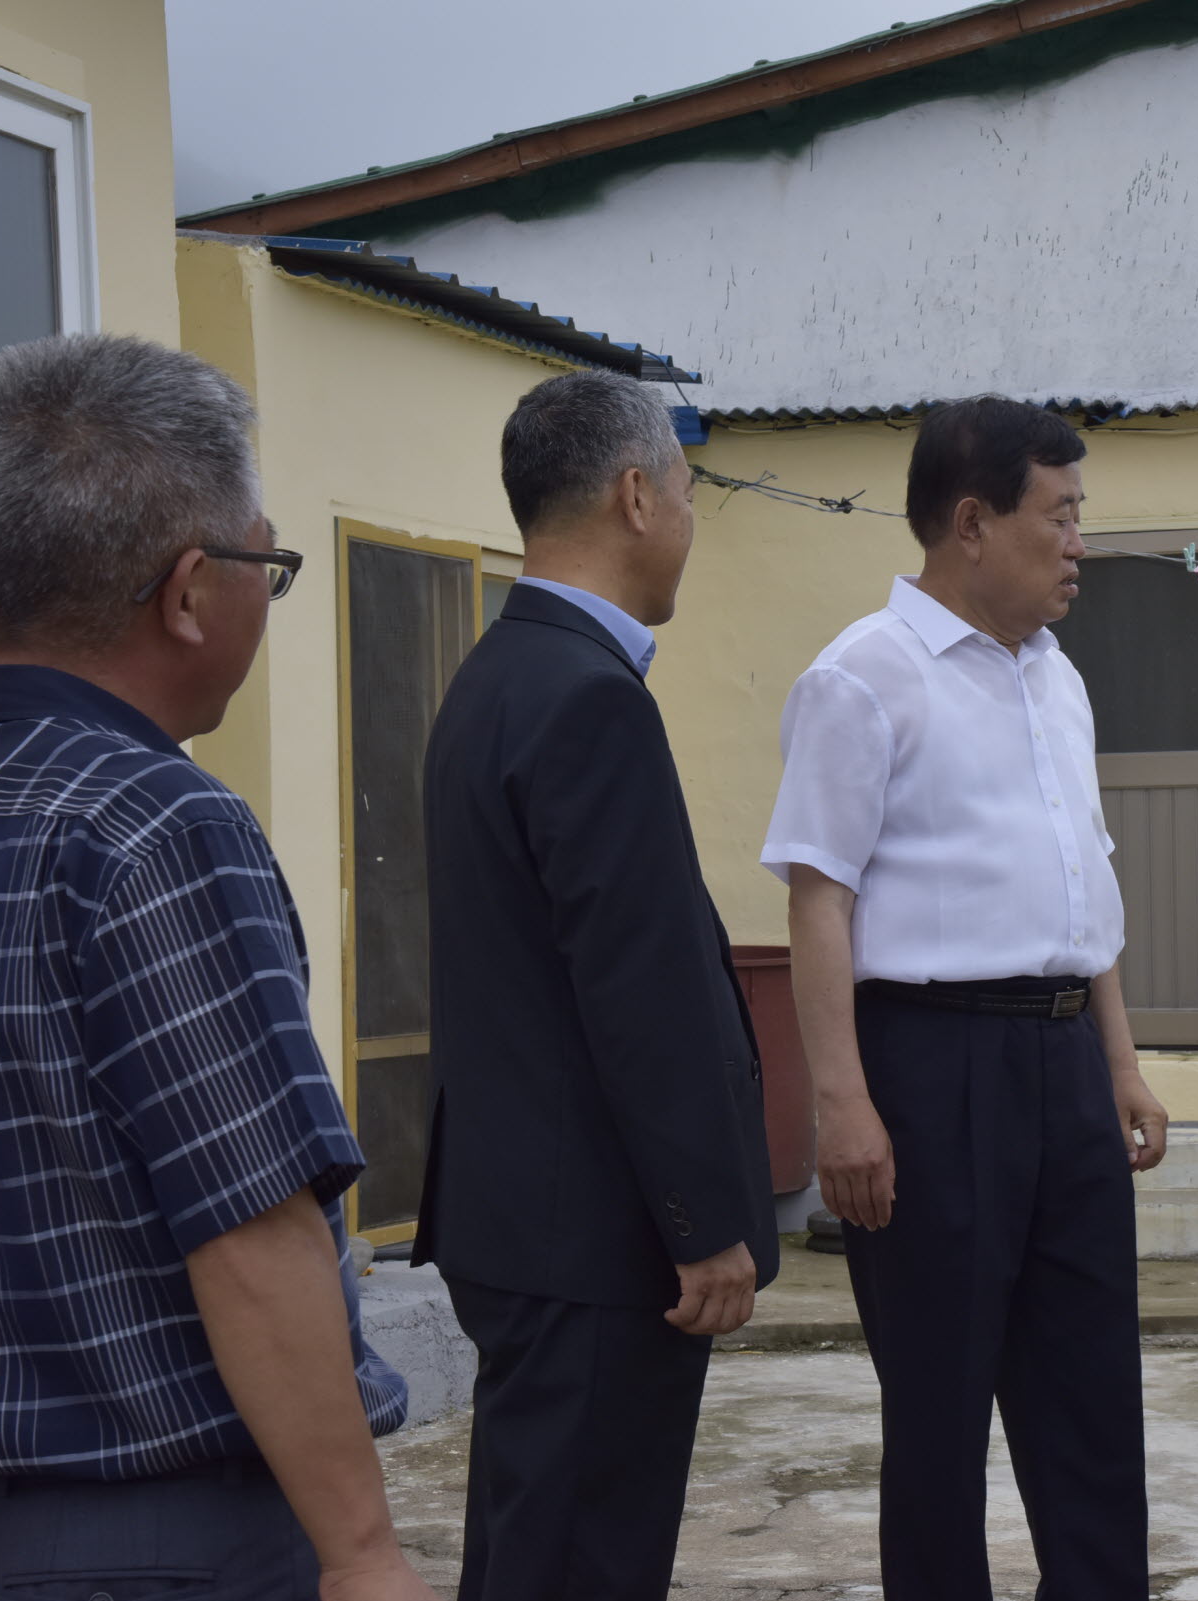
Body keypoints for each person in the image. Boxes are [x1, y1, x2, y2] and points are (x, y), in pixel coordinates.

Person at [0, 335, 430, 1600]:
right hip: (170, 1540)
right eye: (266, 565)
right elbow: (251, 1230)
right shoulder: (161, 827)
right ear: (188, 592)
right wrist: (362, 1553)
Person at [763, 395, 1167, 1599]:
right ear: (974, 521)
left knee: (1092, 1396)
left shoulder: (1057, 676)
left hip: (1063, 1067)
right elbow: (818, 900)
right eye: (1064, 515)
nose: (1079, 543)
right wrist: (842, 1102)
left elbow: (1079, 887)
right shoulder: (861, 677)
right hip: (931, 1071)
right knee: (939, 1415)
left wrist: (1123, 1062)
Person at [415, 370, 776, 1601]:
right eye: (685, 490)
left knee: (536, 1544)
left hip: (522, 1214)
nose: (687, 517)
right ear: (636, 495)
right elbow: (639, 986)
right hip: (598, 1236)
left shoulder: (495, 676)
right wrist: (706, 1220)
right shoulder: (584, 697)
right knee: (582, 1558)